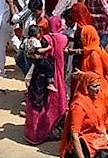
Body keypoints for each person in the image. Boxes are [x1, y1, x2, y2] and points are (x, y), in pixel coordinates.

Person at [24, 16, 68, 145]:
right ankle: (49, 130)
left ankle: (33, 132)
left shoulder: (44, 39)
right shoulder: (63, 39)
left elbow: (32, 53)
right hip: (56, 74)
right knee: (53, 103)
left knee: (36, 102)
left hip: (38, 74)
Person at [58, 71, 108, 158]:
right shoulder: (79, 106)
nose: (98, 89)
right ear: (86, 87)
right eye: (94, 86)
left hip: (95, 143)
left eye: (98, 85)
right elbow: (74, 136)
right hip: (83, 147)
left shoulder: (96, 100)